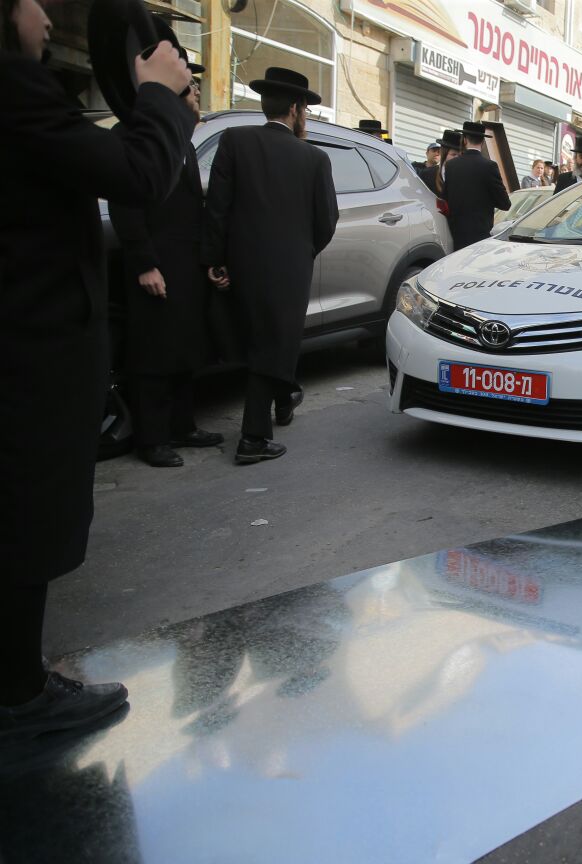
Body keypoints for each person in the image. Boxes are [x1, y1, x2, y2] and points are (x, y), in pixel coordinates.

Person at [0, 0, 195, 737]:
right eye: (30, 0)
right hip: (28, 349)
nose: (45, 15)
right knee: (25, 516)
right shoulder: (15, 90)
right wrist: (156, 95)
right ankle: (19, 696)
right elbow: (134, 173)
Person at [201, 66, 338, 465]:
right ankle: (252, 439)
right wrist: (302, 252)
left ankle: (285, 399)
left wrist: (215, 258)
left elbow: (218, 207)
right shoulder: (314, 157)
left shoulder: (234, 140)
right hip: (290, 267)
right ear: (296, 109)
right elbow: (326, 221)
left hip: (241, 263)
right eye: (306, 111)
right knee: (273, 344)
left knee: (265, 341)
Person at [109, 44, 222, 468]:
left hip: (184, 265)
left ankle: (182, 426)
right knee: (153, 354)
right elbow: (126, 204)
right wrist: (144, 263)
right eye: (191, 86)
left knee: (182, 349)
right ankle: (152, 439)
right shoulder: (134, 135)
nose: (196, 92)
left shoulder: (183, 142)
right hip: (154, 264)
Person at [442, 120, 509, 249]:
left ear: (465, 140)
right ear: (483, 142)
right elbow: (504, 203)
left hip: (456, 234)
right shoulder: (490, 166)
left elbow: (446, 198)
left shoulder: (451, 165)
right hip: (480, 235)